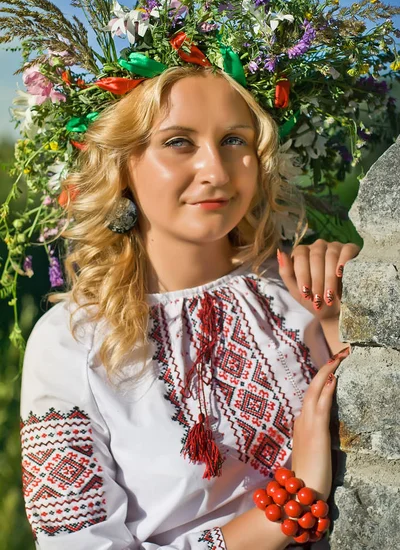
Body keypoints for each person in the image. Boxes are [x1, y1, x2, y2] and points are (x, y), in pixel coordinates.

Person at [20, 65, 359, 550]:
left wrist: (344, 322)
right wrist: (287, 508)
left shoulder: (303, 289)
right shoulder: (72, 341)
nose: (217, 172)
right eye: (179, 141)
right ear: (121, 163)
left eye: (236, 141)